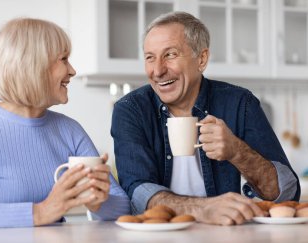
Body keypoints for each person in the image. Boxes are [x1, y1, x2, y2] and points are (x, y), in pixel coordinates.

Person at [0, 17, 130, 229]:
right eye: (64, 59)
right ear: (34, 65)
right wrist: (41, 211)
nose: (72, 70)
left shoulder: (70, 130)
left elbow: (122, 207)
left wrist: (98, 202)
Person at [111, 11, 300, 226]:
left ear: (201, 59)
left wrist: (237, 151)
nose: (157, 70)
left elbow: (287, 193)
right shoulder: (130, 109)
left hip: (225, 235)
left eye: (170, 55)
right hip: (157, 235)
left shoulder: (240, 103)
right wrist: (204, 208)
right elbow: (137, 191)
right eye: (150, 57)